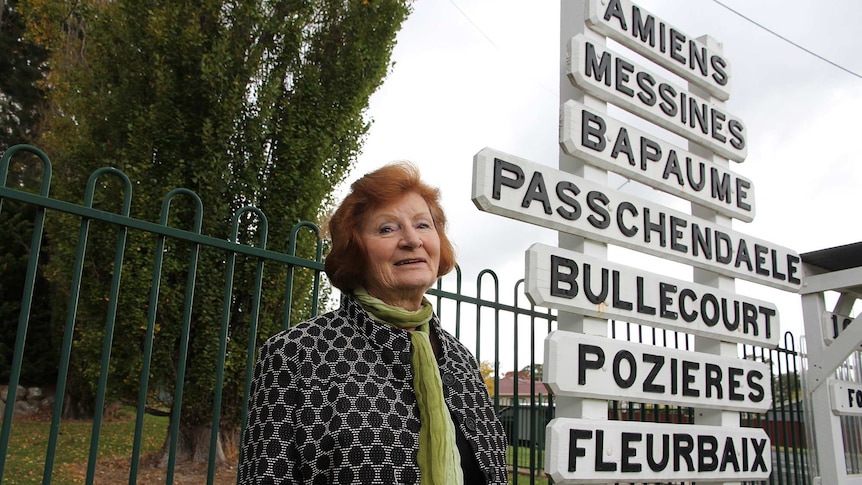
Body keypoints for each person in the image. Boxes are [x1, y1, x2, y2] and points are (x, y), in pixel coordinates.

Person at [238, 162, 508, 484]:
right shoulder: (295, 354)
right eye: (387, 229)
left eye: (423, 225)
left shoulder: (459, 359)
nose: (412, 240)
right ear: (356, 250)